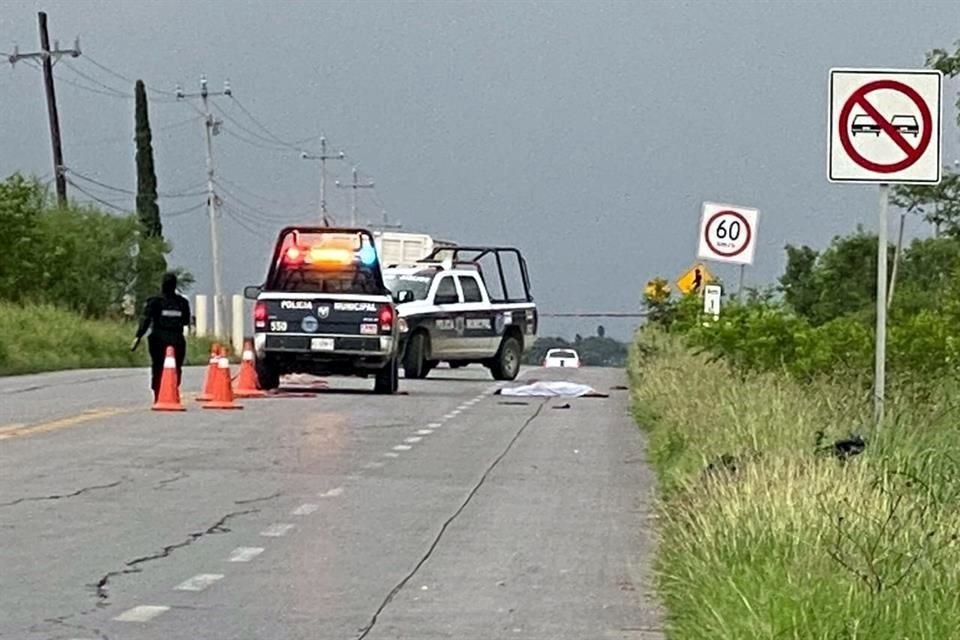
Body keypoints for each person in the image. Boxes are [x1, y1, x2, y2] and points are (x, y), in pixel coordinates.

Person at [131, 272, 191, 400]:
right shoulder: (182, 302)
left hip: (158, 339)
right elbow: (186, 321)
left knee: (157, 366)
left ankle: (158, 393)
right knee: (176, 367)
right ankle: (172, 389)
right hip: (177, 339)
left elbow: (145, 320)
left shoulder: (154, 301)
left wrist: (138, 336)